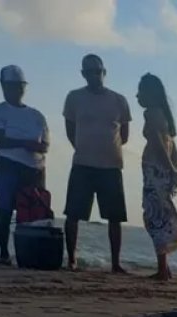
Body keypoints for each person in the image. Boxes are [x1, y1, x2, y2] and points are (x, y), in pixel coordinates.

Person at [62, 54, 132, 272]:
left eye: (98, 71)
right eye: (90, 71)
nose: (95, 75)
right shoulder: (74, 98)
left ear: (104, 72)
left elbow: (125, 134)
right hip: (83, 163)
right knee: (73, 213)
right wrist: (84, 146)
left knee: (114, 217)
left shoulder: (118, 100)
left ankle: (115, 264)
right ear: (83, 74)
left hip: (111, 164)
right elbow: (70, 130)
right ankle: (72, 260)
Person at [0, 64, 48, 265]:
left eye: (18, 86)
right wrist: (25, 143)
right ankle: (4, 253)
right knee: (5, 210)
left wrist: (35, 147)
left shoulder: (37, 116)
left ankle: (28, 254)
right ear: (3, 86)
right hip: (8, 166)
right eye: (10, 86)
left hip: (34, 169)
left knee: (32, 213)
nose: (14, 90)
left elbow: (45, 144)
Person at [137, 73, 177, 280]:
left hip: (154, 169)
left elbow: (159, 143)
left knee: (155, 215)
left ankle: (162, 268)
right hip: (162, 171)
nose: (137, 96)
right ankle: (164, 267)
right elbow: (172, 148)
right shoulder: (165, 116)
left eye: (140, 91)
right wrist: (173, 169)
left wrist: (170, 169)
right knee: (161, 214)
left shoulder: (151, 113)